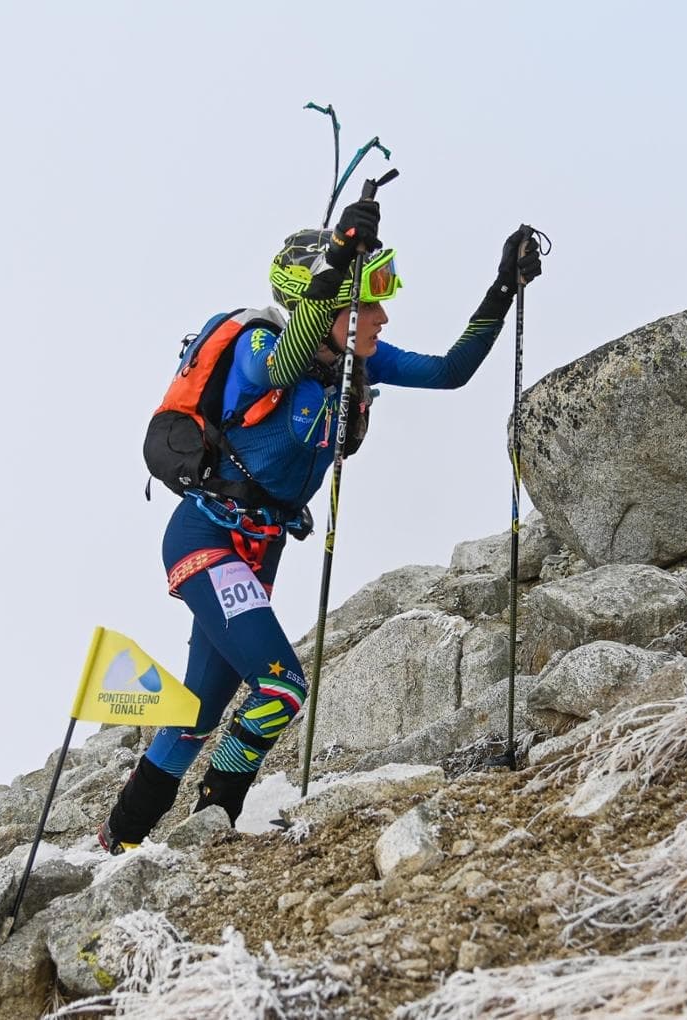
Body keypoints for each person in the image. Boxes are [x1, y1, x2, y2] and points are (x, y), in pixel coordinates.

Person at [99, 200, 542, 853]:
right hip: (208, 538)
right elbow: (279, 368)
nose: (383, 316)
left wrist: (504, 287)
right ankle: (211, 824)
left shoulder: (356, 361)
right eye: (368, 302)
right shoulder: (258, 346)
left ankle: (119, 841)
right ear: (329, 306)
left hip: (259, 551)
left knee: (196, 712)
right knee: (280, 687)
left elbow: (450, 372)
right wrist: (337, 259)